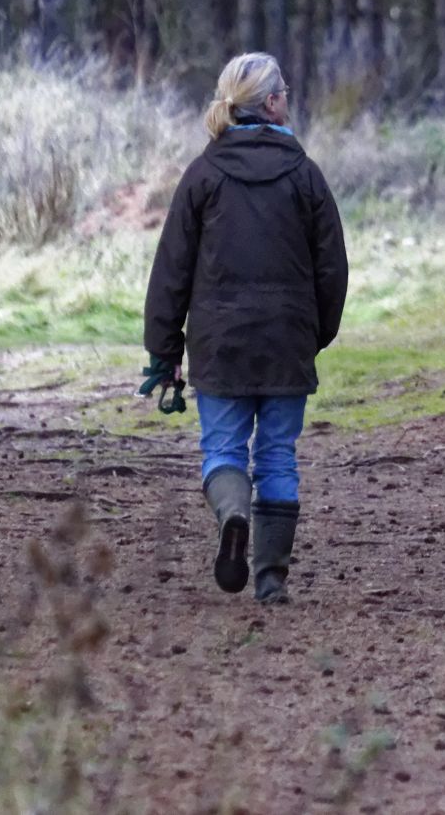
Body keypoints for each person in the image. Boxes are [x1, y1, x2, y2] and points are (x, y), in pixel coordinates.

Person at [141, 52, 348, 604]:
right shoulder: (305, 174)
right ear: (273, 102)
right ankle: (270, 576)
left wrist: (164, 351)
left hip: (219, 342)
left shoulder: (203, 174)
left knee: (224, 452)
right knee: (278, 454)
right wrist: (317, 334)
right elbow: (332, 266)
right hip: (286, 341)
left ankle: (232, 513)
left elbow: (172, 270)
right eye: (286, 92)